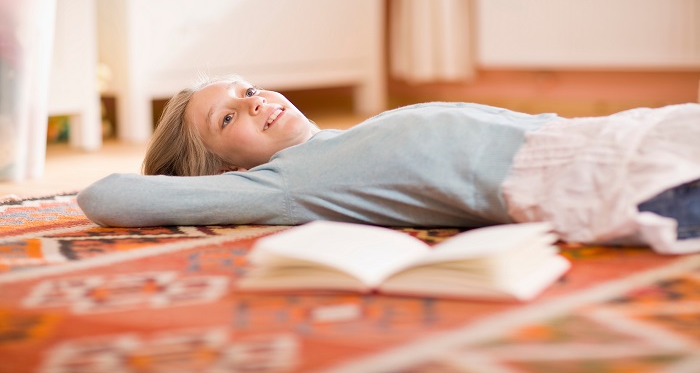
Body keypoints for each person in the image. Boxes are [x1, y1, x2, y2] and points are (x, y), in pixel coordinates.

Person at [77, 74, 700, 255]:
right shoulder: (283, 183)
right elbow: (104, 197)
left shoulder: (345, 139)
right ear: (224, 169)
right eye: (228, 119)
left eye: (246, 89)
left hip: (621, 133)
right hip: (606, 179)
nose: (254, 101)